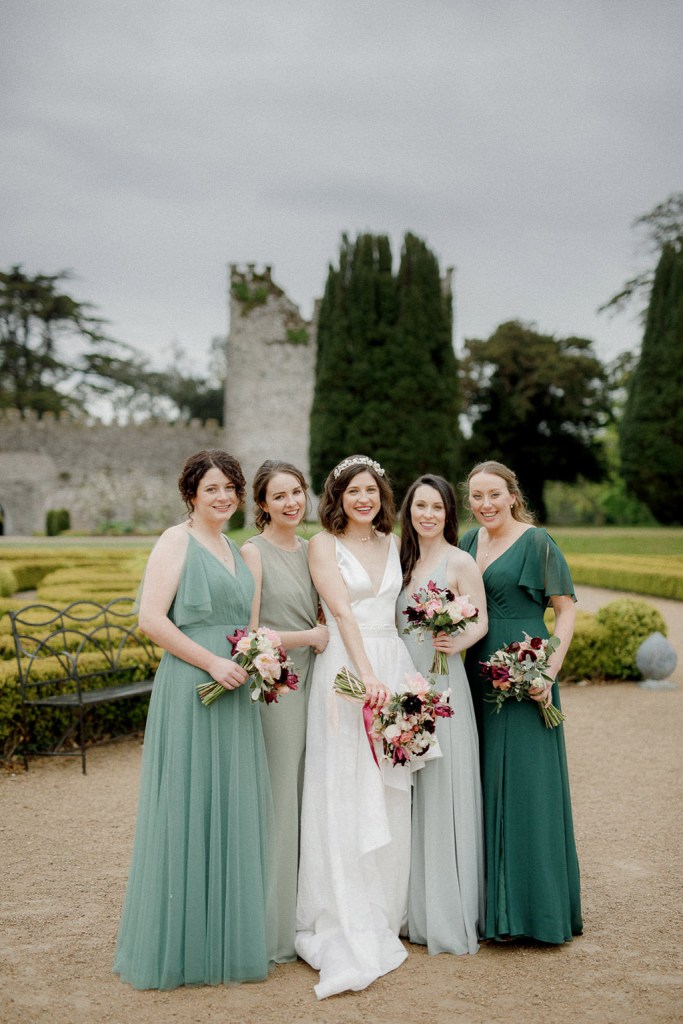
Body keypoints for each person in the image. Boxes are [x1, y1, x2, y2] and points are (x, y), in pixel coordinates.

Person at [113, 449, 275, 989]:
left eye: (231, 487)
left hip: (235, 689)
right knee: (187, 804)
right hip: (193, 685)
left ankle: (224, 937)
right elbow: (150, 619)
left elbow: (247, 626)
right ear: (191, 494)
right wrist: (211, 661)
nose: (224, 497)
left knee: (229, 806)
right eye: (212, 489)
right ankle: (180, 946)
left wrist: (256, 660)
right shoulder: (175, 540)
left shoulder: (236, 549)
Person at [295, 454, 417, 999]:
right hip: (348, 670)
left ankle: (384, 907)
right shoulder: (323, 544)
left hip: (391, 666)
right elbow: (342, 612)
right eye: (352, 491)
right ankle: (343, 909)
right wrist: (369, 677)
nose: (363, 499)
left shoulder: (394, 544)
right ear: (338, 497)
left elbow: (399, 613)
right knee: (344, 783)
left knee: (392, 789)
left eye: (371, 490)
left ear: (381, 496)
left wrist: (409, 682)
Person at [460, 460, 582, 944]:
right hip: (475, 674)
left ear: (512, 495)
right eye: (476, 497)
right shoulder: (468, 543)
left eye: (494, 495)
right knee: (483, 782)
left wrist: (547, 671)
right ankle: (495, 910)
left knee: (529, 787)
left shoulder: (538, 542)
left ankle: (536, 913)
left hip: (526, 671)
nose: (485, 505)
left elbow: (565, 612)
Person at [240, 460, 329, 963]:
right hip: (281, 682)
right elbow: (249, 634)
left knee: (310, 792)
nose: (292, 502)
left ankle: (305, 912)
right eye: (280, 496)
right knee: (281, 799)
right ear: (263, 505)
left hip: (317, 678)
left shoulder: (312, 547)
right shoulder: (253, 553)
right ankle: (273, 928)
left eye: (297, 492)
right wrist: (308, 637)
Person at [397, 474, 487, 956]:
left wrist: (459, 639)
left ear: (448, 513)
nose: (427, 514)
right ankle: (409, 905)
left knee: (441, 786)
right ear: (409, 510)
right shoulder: (403, 559)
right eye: (420, 506)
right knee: (408, 793)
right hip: (403, 685)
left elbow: (482, 618)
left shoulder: (460, 560)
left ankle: (446, 910)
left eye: (436, 507)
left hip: (443, 685)